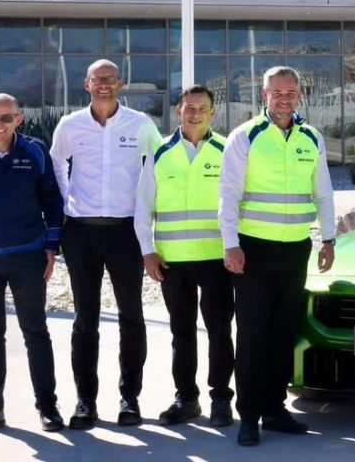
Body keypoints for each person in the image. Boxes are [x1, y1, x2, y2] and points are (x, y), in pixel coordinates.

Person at [220, 66, 336, 447]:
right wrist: (230, 244)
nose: (284, 98)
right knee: (253, 335)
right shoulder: (246, 136)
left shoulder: (311, 137)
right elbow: (229, 195)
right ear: (263, 93)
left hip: (295, 248)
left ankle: (275, 410)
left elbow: (323, 193)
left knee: (284, 331)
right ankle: (249, 416)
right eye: (277, 92)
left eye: (290, 92)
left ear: (300, 94)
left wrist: (329, 239)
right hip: (253, 249)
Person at [50, 59, 163, 429]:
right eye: (98, 79)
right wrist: (66, 206)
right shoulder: (70, 125)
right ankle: (85, 401)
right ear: (87, 84)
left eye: (110, 80)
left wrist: (148, 225)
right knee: (86, 319)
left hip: (125, 233)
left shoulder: (141, 125)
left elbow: (155, 172)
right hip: (81, 233)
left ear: (121, 84)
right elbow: (55, 165)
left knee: (132, 317)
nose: (104, 85)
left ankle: (129, 398)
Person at [0, 94, 65, 436]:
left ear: (19, 118)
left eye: (6, 117)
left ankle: (47, 407)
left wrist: (51, 247)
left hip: (27, 256)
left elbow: (52, 199)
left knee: (36, 332)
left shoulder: (35, 151)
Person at [133, 84, 234, 428]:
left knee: (220, 331)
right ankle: (186, 398)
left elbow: (238, 203)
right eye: (189, 107)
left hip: (216, 260)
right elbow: (143, 206)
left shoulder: (226, 151)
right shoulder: (160, 153)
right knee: (182, 332)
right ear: (178, 110)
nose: (195, 113)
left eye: (201, 108)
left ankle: (221, 398)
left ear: (213, 112)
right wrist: (147, 251)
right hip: (172, 260)